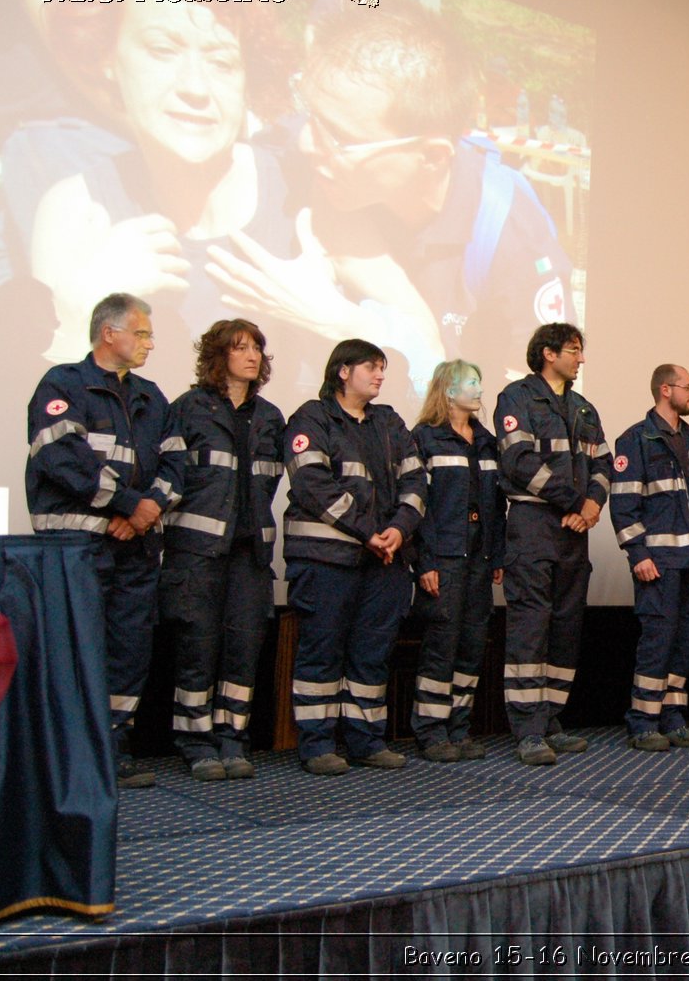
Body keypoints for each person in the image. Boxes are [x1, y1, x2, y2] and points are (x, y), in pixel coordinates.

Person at [205, 7, 575, 400]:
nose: (306, 143)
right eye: (309, 115)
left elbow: (535, 405)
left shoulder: (511, 234)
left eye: (336, 135)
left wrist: (348, 325)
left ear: (432, 157)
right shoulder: (296, 155)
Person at [29, 0, 294, 381]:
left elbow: (421, 359)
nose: (196, 86)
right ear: (106, 58)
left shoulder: (299, 193)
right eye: (162, 51)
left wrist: (335, 320)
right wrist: (88, 307)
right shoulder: (74, 210)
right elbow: (44, 412)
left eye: (222, 61)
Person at [26, 292, 183, 788]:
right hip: (77, 550)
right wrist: (126, 504)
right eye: (142, 333)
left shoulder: (153, 395)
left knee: (128, 649)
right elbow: (61, 459)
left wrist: (147, 509)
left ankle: (114, 750)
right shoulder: (63, 384)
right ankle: (73, 758)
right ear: (108, 333)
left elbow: (177, 462)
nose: (149, 344)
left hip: (135, 549)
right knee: (78, 647)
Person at [283, 339, 425, 775]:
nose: (380, 375)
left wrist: (398, 529)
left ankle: (366, 741)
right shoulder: (312, 417)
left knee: (371, 653)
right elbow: (312, 485)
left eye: (383, 368)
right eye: (371, 367)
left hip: (383, 563)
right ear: (343, 371)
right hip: (327, 560)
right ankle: (318, 745)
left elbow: (417, 481)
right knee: (322, 650)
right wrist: (368, 533)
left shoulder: (389, 422)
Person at [160, 319, 285, 781]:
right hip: (198, 553)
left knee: (243, 649)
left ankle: (232, 739)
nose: (252, 356)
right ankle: (196, 742)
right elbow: (173, 479)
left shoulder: (270, 416)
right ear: (219, 355)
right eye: (240, 348)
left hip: (249, 556)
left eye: (257, 347)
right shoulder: (188, 409)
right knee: (198, 647)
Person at [494, 323, 609, 765]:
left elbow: (602, 463)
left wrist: (592, 504)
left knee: (565, 627)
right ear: (548, 353)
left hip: (574, 531)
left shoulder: (583, 407)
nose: (580, 359)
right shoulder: (517, 398)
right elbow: (519, 461)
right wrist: (574, 500)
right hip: (532, 525)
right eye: (574, 351)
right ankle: (527, 730)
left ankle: (550, 720)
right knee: (530, 628)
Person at [609, 365, 689, 751]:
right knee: (657, 642)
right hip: (658, 564)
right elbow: (623, 505)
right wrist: (637, 554)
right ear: (665, 390)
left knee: (684, 643)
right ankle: (643, 722)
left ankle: (673, 719)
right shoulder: (635, 439)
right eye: (688, 387)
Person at [409, 360, 505, 763]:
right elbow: (419, 508)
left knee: (470, 646)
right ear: (449, 391)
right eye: (471, 382)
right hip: (443, 560)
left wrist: (497, 555)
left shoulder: (487, 441)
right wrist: (425, 562)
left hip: (480, 561)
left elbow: (498, 505)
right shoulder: (425, 439)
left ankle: (458, 728)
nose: (479, 388)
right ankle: (431, 732)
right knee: (441, 646)